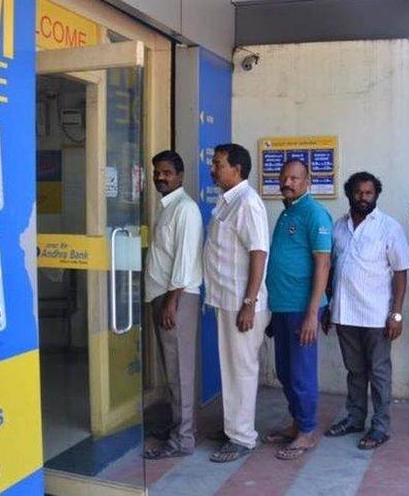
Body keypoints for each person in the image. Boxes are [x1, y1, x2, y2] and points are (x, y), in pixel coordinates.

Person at [324, 171, 409, 450]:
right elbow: (331, 270)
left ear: (376, 196)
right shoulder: (338, 227)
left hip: (376, 315)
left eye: (369, 193)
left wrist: (396, 314)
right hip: (344, 312)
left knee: (379, 372)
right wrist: (328, 307)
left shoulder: (389, 227)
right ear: (350, 194)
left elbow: (400, 272)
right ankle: (354, 418)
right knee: (354, 371)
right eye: (358, 192)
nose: (363, 197)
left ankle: (381, 426)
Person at [203, 143, 271, 463]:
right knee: (230, 369)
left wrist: (249, 302)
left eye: (218, 164)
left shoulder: (248, 202)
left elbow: (259, 253)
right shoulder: (227, 201)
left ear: (237, 169)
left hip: (242, 303)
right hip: (226, 300)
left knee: (242, 370)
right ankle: (234, 428)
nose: (213, 169)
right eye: (214, 164)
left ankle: (243, 437)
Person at [263, 159, 333, 460]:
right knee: (285, 371)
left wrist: (311, 313)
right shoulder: (287, 212)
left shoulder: (315, 213)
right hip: (281, 307)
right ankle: (296, 424)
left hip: (301, 309)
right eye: (284, 177)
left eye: (294, 178)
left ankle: (306, 432)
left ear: (307, 181)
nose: (288, 182)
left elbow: (323, 263)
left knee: (301, 373)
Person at [142, 150, 204, 459]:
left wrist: (172, 301)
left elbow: (185, 258)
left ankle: (183, 439)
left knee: (180, 371)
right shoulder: (167, 208)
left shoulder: (186, 209)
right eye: (157, 172)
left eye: (166, 172)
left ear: (179, 176)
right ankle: (178, 429)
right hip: (163, 296)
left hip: (176, 298)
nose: (160, 177)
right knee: (173, 370)